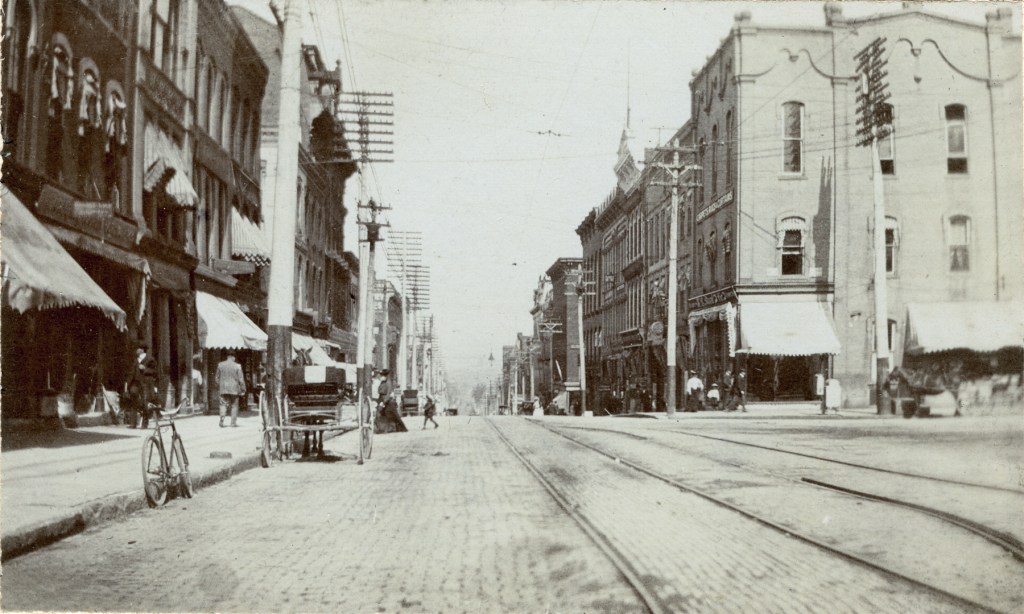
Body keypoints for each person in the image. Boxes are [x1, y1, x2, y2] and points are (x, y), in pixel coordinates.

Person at [126, 345, 157, 428]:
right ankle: (133, 423)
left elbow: (154, 371)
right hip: (135, 383)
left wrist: (145, 368)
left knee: (145, 402)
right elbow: (132, 372)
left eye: (138, 349)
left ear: (142, 350)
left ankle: (145, 423)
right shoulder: (136, 360)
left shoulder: (150, 359)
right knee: (133, 399)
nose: (136, 350)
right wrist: (128, 384)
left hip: (145, 383)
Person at [216, 352, 246, 427]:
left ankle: (222, 420)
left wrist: (220, 385)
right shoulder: (238, 366)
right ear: (233, 357)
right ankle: (233, 423)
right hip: (234, 389)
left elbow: (216, 378)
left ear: (227, 357)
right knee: (234, 406)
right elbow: (241, 379)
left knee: (223, 404)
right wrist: (243, 389)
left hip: (223, 389)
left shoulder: (220, 365)